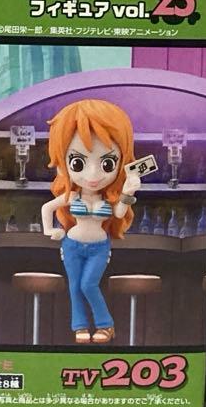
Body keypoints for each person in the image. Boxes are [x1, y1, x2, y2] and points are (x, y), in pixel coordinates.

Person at [41, 99, 140, 344]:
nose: (93, 175)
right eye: (78, 163)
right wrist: (50, 229)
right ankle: (80, 327)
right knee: (75, 286)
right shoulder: (72, 196)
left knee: (88, 284)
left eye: (107, 163)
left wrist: (128, 191)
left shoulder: (108, 198)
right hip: (72, 245)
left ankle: (106, 325)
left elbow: (119, 214)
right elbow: (47, 207)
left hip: (99, 247)